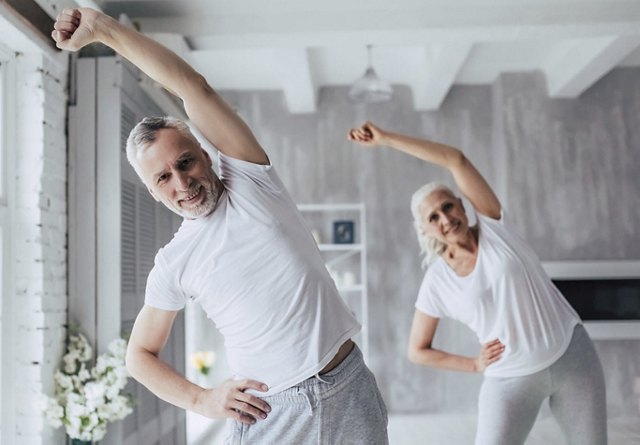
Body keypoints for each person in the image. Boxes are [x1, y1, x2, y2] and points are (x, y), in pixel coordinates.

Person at [52, 9, 388, 444]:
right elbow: (139, 356)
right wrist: (202, 400)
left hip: (349, 388)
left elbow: (194, 87)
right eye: (163, 178)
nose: (182, 181)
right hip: (271, 414)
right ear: (155, 193)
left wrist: (104, 31)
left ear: (207, 155)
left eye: (185, 161)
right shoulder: (174, 262)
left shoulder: (251, 180)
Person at [348, 121, 607, 445]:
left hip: (573, 357)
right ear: (425, 230)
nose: (446, 218)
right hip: (510, 378)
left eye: (448, 206)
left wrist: (386, 138)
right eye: (433, 217)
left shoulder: (496, 227)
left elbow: (455, 159)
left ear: (461, 204)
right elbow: (418, 351)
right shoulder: (437, 282)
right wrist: (473, 364)